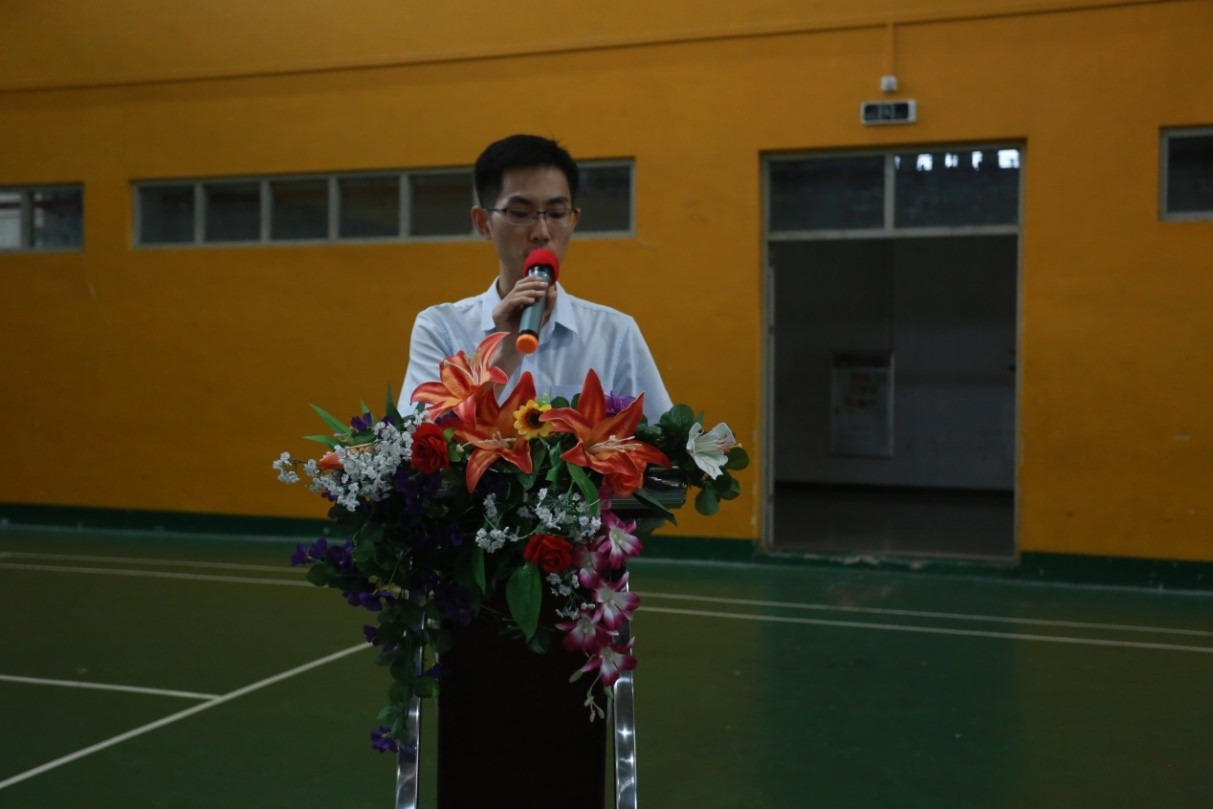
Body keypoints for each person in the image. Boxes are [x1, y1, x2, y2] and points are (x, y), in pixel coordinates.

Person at [401, 133, 672, 421]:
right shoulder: (442, 329)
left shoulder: (614, 334)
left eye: (556, 213)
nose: (541, 232)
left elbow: (664, 439)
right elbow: (417, 439)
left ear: (574, 220)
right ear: (483, 223)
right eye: (520, 213)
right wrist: (507, 351)